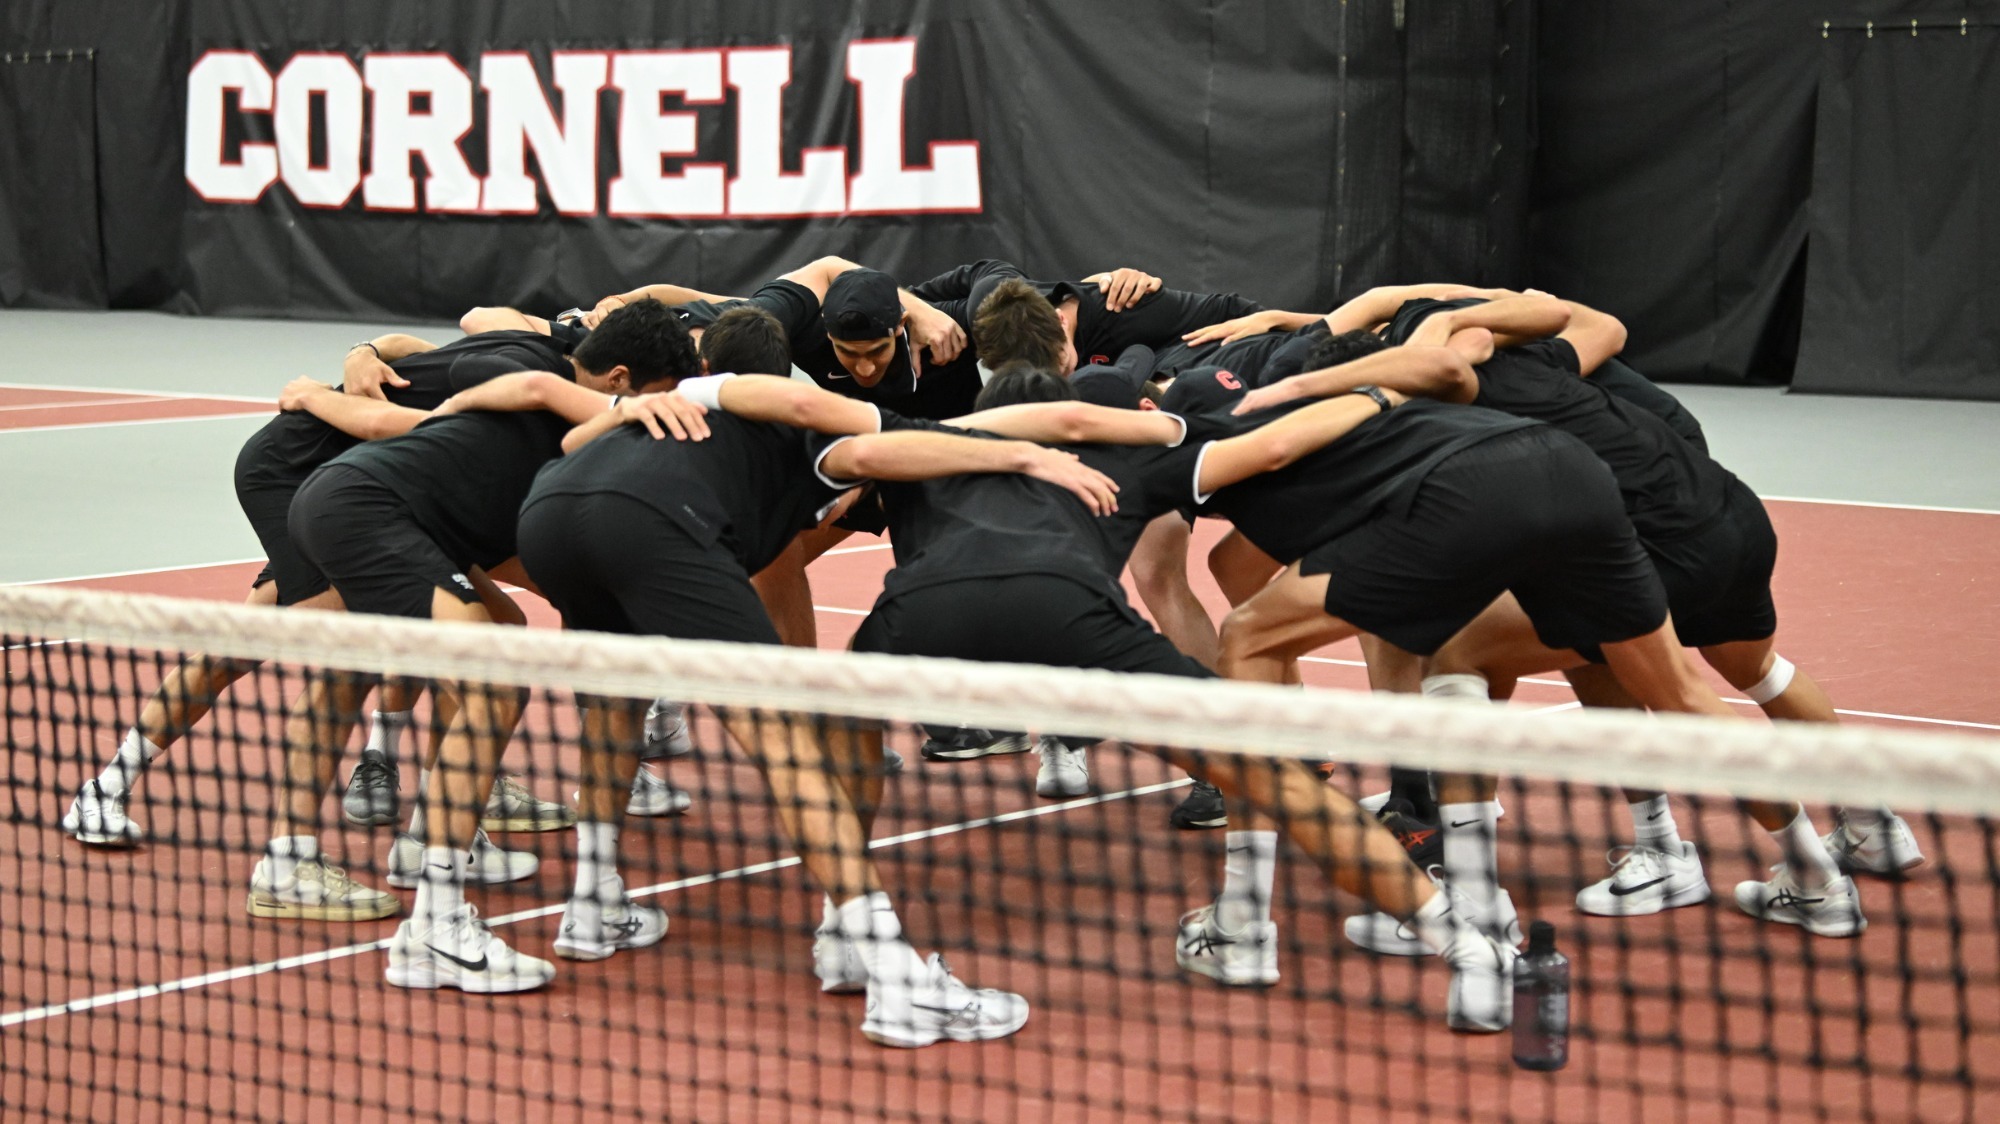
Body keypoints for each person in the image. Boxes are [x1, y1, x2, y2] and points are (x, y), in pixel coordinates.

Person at [834, 362, 1516, 1032]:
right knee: (1270, 777)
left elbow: (827, 487)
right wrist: (1376, 391)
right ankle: (1468, 949)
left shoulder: (917, 449)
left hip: (922, 612)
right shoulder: (1119, 456)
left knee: (841, 736)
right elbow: (1274, 443)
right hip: (1071, 613)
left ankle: (848, 926)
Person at [1242, 294, 1915, 939]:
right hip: (1726, 513)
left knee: (1463, 652)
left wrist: (1293, 394)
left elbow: (1438, 378)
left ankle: (1483, 896)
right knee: (1747, 672)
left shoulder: (1440, 395)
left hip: (1653, 546)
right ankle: (1867, 832)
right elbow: (1576, 319)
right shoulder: (1532, 356)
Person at [517, 370, 1123, 1044]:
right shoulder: (813, 435)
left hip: (548, 513)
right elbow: (866, 451)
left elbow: (577, 439)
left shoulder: (704, 431)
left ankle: (591, 902)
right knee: (784, 741)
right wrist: (1022, 455)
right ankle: (894, 976)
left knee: (611, 707)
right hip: (651, 521)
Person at [244, 300, 699, 998]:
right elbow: (503, 382)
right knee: (472, 681)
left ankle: (432, 844)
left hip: (386, 507)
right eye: (658, 401)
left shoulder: (550, 426)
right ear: (619, 380)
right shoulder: (548, 391)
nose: (662, 416)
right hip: (349, 499)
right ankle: (426, 919)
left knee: (497, 645)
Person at [60, 322, 585, 847]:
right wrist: (347, 367)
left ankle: (450, 798)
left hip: (387, 488)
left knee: (490, 623)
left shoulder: (543, 384)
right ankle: (125, 797)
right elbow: (396, 395)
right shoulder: (526, 371)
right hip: (302, 472)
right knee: (344, 658)